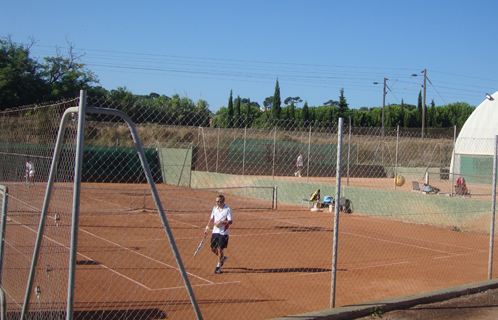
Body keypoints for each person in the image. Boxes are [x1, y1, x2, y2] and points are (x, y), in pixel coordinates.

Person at [204, 194, 233, 274]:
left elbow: (230, 221)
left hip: (223, 232)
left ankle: (218, 266)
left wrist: (221, 222)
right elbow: (211, 219)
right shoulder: (214, 209)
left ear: (223, 201)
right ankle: (222, 258)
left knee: (220, 249)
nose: (217, 203)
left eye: (219, 201)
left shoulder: (227, 210)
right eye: (216, 201)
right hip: (215, 231)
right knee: (212, 248)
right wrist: (207, 228)